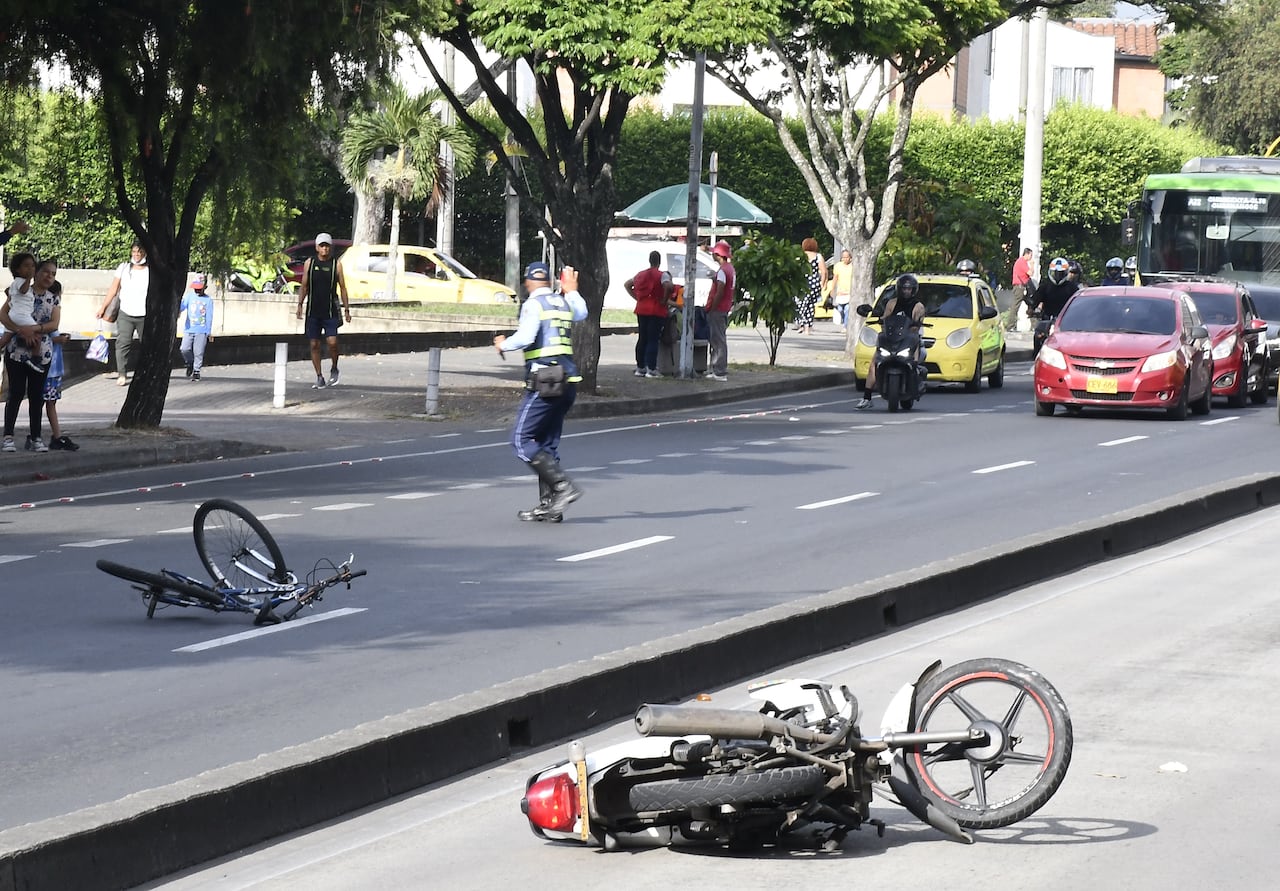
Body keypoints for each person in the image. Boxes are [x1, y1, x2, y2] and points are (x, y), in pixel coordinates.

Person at [493, 261, 588, 522]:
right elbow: (582, 312)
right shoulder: (564, 302)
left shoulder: (533, 304)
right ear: (549, 281)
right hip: (568, 381)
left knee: (521, 441)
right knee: (546, 444)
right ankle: (551, 506)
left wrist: (503, 344)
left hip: (545, 381)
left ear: (527, 282)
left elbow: (525, 337)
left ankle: (562, 487)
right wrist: (572, 290)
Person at [1, 257, 59, 452]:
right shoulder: (20, 291)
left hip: (41, 353)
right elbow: (3, 314)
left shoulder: (53, 298)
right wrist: (19, 330)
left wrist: (34, 329)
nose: (49, 276)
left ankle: (35, 437)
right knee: (16, 392)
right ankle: (8, 436)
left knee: (36, 396)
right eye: (45, 272)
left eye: (53, 274)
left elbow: (54, 324)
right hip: (16, 352)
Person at [856, 273, 926, 410]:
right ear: (899, 289)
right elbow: (885, 319)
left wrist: (915, 324)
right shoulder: (892, 303)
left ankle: (914, 382)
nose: (906, 291)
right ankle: (866, 398)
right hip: (892, 338)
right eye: (904, 288)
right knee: (874, 362)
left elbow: (916, 327)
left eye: (909, 289)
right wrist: (879, 319)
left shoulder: (918, 307)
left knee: (914, 358)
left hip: (909, 338)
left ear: (913, 290)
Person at [295, 232, 351, 389]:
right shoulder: (310, 263)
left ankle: (334, 367)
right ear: (317, 247)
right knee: (314, 344)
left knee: (332, 342)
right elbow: (304, 286)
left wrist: (347, 309)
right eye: (322, 246)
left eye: (327, 246)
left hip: (330, 310)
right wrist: (299, 304)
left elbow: (343, 287)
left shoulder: (336, 265)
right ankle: (319, 376)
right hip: (313, 310)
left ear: (330, 247)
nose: (324, 249)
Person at [97, 240, 149, 386]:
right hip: (126, 312)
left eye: (139, 252)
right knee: (123, 343)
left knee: (146, 344)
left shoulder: (150, 270)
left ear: (145, 253)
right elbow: (113, 289)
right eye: (134, 251)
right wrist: (103, 308)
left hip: (144, 314)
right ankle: (122, 373)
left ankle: (145, 372)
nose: (136, 255)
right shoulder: (124, 268)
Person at [623, 250, 674, 378]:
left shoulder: (640, 275)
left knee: (642, 338)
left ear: (649, 260)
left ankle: (640, 367)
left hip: (641, 309)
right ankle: (651, 368)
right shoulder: (662, 275)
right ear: (659, 262)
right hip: (656, 309)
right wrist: (664, 300)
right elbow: (668, 287)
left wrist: (637, 298)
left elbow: (627, 284)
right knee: (653, 339)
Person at [1, 252, 48, 373]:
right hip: (21, 315)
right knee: (37, 334)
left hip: (14, 314)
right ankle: (35, 359)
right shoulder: (20, 282)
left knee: (6, 337)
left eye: (32, 266)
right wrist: (28, 279)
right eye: (26, 266)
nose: (30, 269)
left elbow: (11, 292)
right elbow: (23, 290)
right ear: (17, 270)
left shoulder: (14, 284)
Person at [1029, 257, 1080, 357]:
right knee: (1038, 334)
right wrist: (1031, 308)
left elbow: (1078, 303)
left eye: (1060, 273)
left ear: (1065, 273)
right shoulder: (1045, 286)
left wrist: (1077, 314)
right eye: (1055, 273)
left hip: (1066, 321)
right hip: (1047, 318)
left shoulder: (1072, 288)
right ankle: (1037, 356)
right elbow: (1036, 298)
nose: (1057, 276)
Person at [705, 240, 735, 381]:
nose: (712, 255)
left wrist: (712, 307)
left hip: (718, 308)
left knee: (718, 340)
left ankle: (720, 371)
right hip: (724, 307)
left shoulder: (723, 271)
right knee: (717, 339)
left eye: (714, 253)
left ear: (718, 255)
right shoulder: (730, 269)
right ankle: (715, 368)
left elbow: (720, 291)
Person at [179, 274, 215, 381]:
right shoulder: (189, 296)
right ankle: (189, 362)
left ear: (205, 287)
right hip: (189, 328)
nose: (197, 290)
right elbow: (182, 306)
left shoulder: (208, 300)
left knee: (198, 351)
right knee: (184, 349)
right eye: (195, 288)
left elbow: (209, 316)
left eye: (199, 288)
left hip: (201, 330)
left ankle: (196, 371)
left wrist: (208, 331)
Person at [793, 237, 827, 334]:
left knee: (801, 304)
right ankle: (807, 327)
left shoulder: (799, 255)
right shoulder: (818, 256)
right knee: (810, 305)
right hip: (814, 283)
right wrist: (822, 283)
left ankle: (802, 324)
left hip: (802, 282)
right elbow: (824, 271)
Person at [1009, 247, 1033, 332]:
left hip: (1022, 286)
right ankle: (1010, 326)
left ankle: (1033, 324)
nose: (1031, 257)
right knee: (1016, 306)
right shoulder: (1022, 262)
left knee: (1031, 303)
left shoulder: (1021, 262)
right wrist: (1032, 265)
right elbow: (1030, 273)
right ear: (1026, 254)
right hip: (1019, 287)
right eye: (1031, 255)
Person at [831, 249, 854, 331]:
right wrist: (832, 289)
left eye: (847, 257)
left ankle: (845, 326)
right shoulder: (838, 266)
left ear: (850, 257)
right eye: (843, 257)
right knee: (840, 309)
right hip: (840, 292)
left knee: (847, 309)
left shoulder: (853, 266)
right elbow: (835, 278)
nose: (845, 259)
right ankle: (845, 321)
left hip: (850, 292)